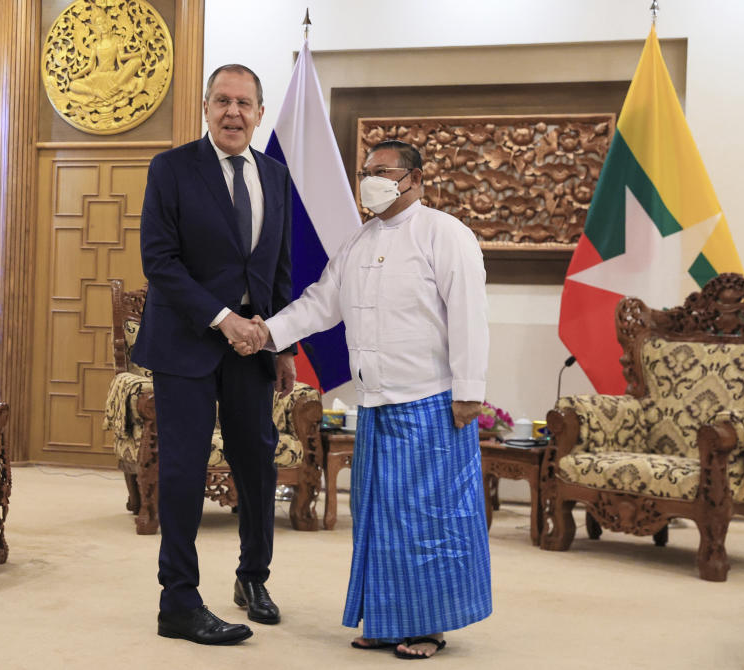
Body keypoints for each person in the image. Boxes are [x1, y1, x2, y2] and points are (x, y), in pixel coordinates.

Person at [235, 140, 491, 659]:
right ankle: (385, 617)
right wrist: (268, 334)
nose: (368, 180)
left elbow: (468, 315)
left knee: (427, 519)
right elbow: (319, 305)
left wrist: (469, 392)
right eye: (365, 171)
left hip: (430, 402)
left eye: (381, 171)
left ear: (415, 179)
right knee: (378, 518)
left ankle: (427, 626)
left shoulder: (446, 234)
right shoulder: (358, 241)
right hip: (374, 403)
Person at [132, 63, 296, 646]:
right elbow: (160, 261)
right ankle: (178, 600)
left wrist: (281, 345)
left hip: (253, 348)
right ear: (206, 107)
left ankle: (253, 578)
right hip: (187, 344)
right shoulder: (171, 169)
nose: (233, 112)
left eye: (244, 103)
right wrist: (223, 318)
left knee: (258, 462)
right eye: (222, 101)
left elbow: (279, 268)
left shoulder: (275, 176)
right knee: (182, 469)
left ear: (259, 111)